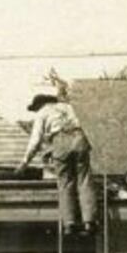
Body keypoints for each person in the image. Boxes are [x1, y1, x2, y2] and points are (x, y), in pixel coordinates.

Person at [19, 85, 97, 234]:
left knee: (65, 182)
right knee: (84, 179)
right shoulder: (67, 107)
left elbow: (35, 141)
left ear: (39, 105)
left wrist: (24, 162)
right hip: (79, 138)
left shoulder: (42, 113)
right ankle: (89, 222)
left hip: (61, 141)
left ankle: (70, 223)